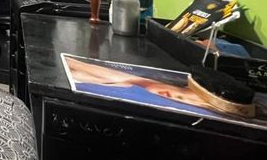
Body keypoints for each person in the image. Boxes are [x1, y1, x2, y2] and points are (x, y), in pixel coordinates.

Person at [67, 57, 219, 117]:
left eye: (180, 98)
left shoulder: (132, 87)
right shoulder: (132, 84)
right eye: (181, 95)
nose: (168, 94)